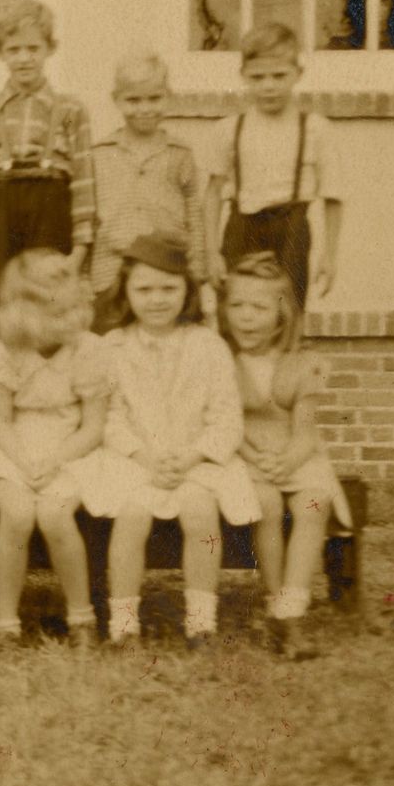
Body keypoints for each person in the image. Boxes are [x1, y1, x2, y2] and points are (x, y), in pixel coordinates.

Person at [93, 233, 263, 650]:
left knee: (199, 509)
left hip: (198, 460)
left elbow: (226, 418)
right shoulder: (112, 347)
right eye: (144, 289)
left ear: (187, 291)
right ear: (126, 291)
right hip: (136, 459)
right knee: (132, 514)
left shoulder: (208, 346)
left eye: (169, 288)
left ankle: (201, 622)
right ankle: (123, 624)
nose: (157, 300)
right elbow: (111, 418)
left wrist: (189, 458)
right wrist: (146, 457)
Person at [0, 248, 116, 655]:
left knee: (55, 515)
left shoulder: (88, 350)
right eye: (53, 314)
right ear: (21, 312)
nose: (66, 323)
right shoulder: (2, 350)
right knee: (17, 515)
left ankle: (81, 618)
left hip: (72, 447)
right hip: (17, 447)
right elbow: (1, 422)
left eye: (70, 311)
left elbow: (93, 426)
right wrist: (24, 462)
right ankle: (6, 624)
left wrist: (55, 461)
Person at [221, 251, 355, 659]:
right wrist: (256, 459)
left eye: (259, 308)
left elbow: (306, 432)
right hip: (243, 454)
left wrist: (288, 462)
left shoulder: (304, 363)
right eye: (237, 305)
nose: (246, 317)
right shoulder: (220, 360)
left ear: (282, 315)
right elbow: (223, 424)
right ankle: (273, 600)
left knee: (314, 503)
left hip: (296, 454)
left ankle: (292, 610)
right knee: (265, 504)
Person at [0, 0, 95, 327]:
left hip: (50, 207)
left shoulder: (71, 109)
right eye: (14, 49)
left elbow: (83, 180)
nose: (24, 58)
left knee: (48, 302)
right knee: (0, 304)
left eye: (33, 48)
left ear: (50, 48)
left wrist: (80, 248)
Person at [209, 22, 343, 304]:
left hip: (291, 230)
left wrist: (329, 256)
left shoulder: (316, 129)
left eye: (279, 75)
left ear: (298, 73)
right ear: (243, 75)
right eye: (258, 77)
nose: (269, 86)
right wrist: (210, 252)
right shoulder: (229, 129)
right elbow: (212, 193)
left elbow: (333, 196)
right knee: (237, 309)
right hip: (241, 228)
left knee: (288, 311)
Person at [87, 52, 212, 329]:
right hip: (112, 268)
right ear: (117, 100)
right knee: (109, 341)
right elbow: (88, 217)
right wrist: (85, 276)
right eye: (133, 100)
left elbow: (194, 210)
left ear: (168, 96)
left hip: (166, 267)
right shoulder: (100, 153)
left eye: (154, 98)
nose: (144, 109)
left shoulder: (179, 153)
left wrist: (198, 266)